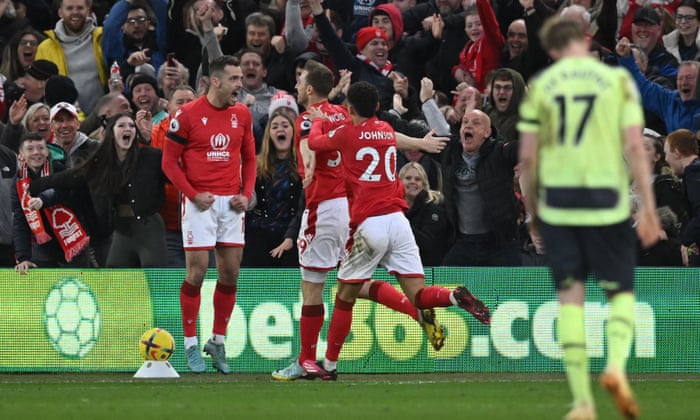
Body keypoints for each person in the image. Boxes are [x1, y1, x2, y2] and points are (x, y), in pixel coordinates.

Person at [518, 17, 661, 420]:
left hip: (560, 205)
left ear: (552, 51)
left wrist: (532, 213)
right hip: (607, 202)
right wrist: (648, 208)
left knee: (571, 302)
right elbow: (636, 149)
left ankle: (582, 402)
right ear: (584, 41)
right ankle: (615, 367)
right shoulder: (616, 82)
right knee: (620, 296)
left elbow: (528, 159)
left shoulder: (543, 88)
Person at [271, 60, 450, 382]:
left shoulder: (310, 119)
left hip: (324, 206)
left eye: (299, 81)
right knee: (354, 283)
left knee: (312, 286)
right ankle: (416, 311)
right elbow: (385, 134)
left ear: (310, 89)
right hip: (351, 209)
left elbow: (308, 142)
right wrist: (422, 144)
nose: (296, 86)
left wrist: (309, 167)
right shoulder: (346, 114)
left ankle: (307, 360)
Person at [300, 81, 490, 380]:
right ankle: (453, 296)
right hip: (399, 222)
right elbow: (395, 138)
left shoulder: (347, 133)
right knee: (419, 295)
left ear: (349, 110)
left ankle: (330, 364)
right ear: (377, 107)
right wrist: (420, 143)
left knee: (344, 297)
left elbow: (314, 143)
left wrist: (316, 124)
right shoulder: (385, 131)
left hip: (370, 224)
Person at [162, 55, 256, 374]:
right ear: (215, 81)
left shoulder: (241, 114)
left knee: (230, 274)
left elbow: (250, 159)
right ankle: (190, 344)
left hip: (231, 204)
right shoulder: (187, 115)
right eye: (234, 79)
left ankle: (217, 340)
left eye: (241, 79)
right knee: (198, 272)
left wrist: (245, 194)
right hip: (200, 202)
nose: (240, 85)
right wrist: (192, 194)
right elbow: (168, 163)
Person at [30, 113, 167, 268]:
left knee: (156, 279)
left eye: (131, 126)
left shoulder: (151, 156)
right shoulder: (100, 164)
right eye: (121, 125)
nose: (127, 128)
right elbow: (68, 177)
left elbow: (176, 174)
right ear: (111, 133)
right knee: (116, 281)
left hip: (149, 227)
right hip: (122, 230)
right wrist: (34, 186)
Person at [13, 132, 91, 274]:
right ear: (21, 154)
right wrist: (23, 257)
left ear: (47, 151)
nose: (36, 153)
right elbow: (20, 220)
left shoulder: (59, 168)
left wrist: (44, 199)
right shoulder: (18, 181)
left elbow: (69, 194)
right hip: (43, 245)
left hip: (73, 241)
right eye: (30, 149)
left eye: (41, 148)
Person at [242, 108, 302, 268]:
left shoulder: (304, 166)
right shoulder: (256, 165)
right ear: (269, 134)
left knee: (287, 288)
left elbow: (303, 206)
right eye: (274, 127)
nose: (280, 129)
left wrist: (291, 235)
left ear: (293, 132)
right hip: (258, 236)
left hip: (291, 235)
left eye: (285, 125)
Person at [35, 0, 107, 115]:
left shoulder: (102, 38)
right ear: (60, 13)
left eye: (80, 8)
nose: (75, 12)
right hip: (63, 119)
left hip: (102, 117)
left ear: (88, 11)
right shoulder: (45, 48)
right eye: (69, 8)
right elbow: (39, 88)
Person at [399, 161, 452, 266]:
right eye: (408, 178)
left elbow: (429, 245)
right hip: (398, 265)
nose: (412, 182)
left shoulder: (434, 207)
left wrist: (400, 223)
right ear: (399, 182)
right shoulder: (392, 206)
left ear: (424, 184)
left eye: (417, 179)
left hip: (427, 266)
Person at [663, 128, 700, 267]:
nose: (665, 159)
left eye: (666, 153)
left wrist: (686, 240)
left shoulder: (694, 173)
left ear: (676, 153)